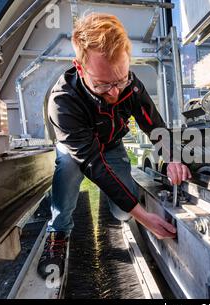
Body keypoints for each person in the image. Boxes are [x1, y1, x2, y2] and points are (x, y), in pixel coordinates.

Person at [37, 13, 191, 279]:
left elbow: (153, 125)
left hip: (111, 145)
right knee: (68, 170)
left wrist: (172, 156)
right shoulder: (63, 103)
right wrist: (145, 217)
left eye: (120, 80)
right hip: (77, 151)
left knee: (122, 213)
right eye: (102, 84)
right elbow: (93, 166)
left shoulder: (130, 85)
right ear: (80, 67)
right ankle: (58, 231)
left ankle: (121, 208)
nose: (114, 93)